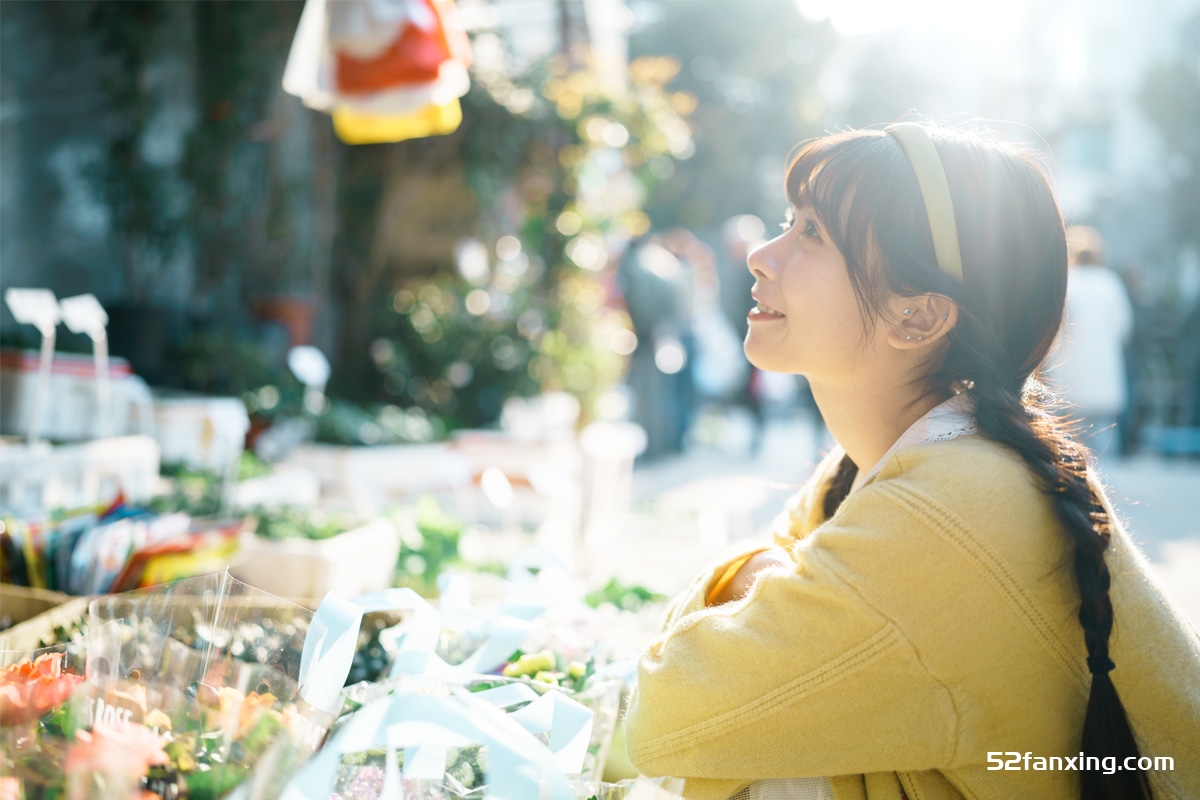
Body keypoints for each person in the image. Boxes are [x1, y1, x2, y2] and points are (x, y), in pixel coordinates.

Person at [623, 123, 1200, 800]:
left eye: (813, 234)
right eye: (789, 220)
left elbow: (663, 718)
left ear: (918, 319)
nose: (760, 255)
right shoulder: (874, 469)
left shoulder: (948, 509)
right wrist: (767, 578)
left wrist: (759, 574)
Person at [1042, 226, 1135, 457]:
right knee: (1101, 443)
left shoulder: (1065, 281)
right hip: (1102, 378)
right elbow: (1124, 328)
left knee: (1066, 442)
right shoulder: (1109, 283)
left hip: (1067, 378)